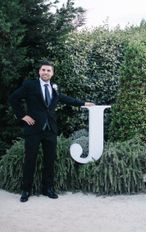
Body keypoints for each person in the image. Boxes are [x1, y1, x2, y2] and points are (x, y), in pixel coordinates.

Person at [9, 60, 94, 202]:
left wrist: (83, 103)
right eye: (43, 70)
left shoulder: (54, 87)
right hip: (34, 129)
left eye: (49, 70)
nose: (46, 72)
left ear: (52, 73)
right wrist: (23, 116)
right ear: (39, 71)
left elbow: (65, 98)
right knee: (30, 159)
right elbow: (13, 98)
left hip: (50, 130)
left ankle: (48, 188)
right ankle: (26, 190)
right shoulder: (30, 85)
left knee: (50, 160)